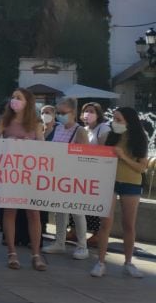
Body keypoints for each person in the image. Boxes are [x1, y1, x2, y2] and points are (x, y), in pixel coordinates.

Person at [0, 88, 47, 271]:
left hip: (29, 174)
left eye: (18, 97)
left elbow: (43, 148)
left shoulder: (36, 123)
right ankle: (12, 252)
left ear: (27, 102)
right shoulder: (4, 122)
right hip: (9, 173)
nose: (14, 100)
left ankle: (36, 254)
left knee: (34, 213)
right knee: (10, 212)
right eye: (13, 97)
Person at [91, 107, 149, 278]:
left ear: (128, 121)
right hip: (110, 182)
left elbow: (141, 168)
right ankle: (100, 262)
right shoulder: (110, 136)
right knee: (105, 224)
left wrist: (123, 156)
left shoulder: (139, 139)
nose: (114, 123)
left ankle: (129, 262)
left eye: (118, 120)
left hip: (131, 183)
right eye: (113, 119)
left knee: (128, 225)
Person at [41, 97, 91, 261]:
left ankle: (82, 246)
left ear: (73, 112)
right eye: (59, 112)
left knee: (77, 211)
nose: (60, 115)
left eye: (63, 112)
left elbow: (85, 157)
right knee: (60, 211)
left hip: (75, 176)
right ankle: (59, 242)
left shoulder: (80, 131)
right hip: (59, 175)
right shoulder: (59, 128)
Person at [80, 102, 110, 246]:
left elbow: (104, 151)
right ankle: (77, 230)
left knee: (95, 203)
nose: (88, 114)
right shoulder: (84, 129)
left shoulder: (103, 128)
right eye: (86, 111)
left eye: (91, 111)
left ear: (98, 114)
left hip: (98, 172)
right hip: (85, 171)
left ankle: (97, 234)